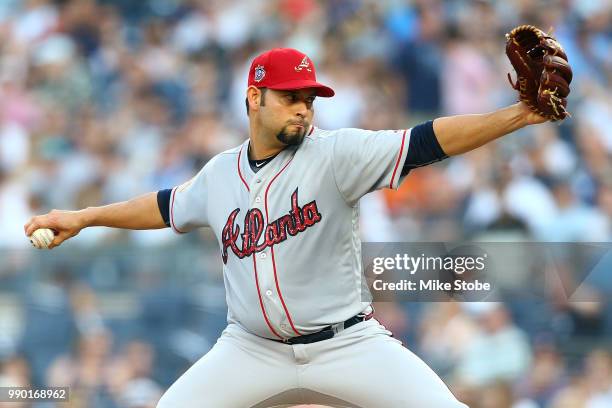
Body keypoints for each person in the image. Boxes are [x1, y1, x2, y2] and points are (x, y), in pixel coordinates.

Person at [25, 48, 547, 408]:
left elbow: (427, 140)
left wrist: (518, 115)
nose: (304, 108)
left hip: (347, 344)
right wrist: (84, 216)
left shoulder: (338, 153)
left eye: (310, 98)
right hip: (250, 348)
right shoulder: (221, 172)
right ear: (255, 98)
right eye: (290, 96)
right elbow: (166, 207)